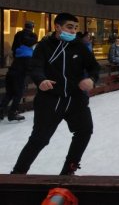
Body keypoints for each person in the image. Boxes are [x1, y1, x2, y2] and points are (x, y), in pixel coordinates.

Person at [11, 13, 100, 175]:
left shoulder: (80, 46)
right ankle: (17, 174)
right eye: (69, 27)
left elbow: (94, 67)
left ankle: (69, 170)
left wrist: (92, 80)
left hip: (76, 99)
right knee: (39, 139)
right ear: (57, 27)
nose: (73, 31)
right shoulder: (44, 46)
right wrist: (41, 80)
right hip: (50, 101)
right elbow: (35, 67)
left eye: (75, 28)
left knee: (84, 131)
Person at [0, 21, 38, 122]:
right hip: (18, 76)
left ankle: (1, 111)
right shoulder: (28, 56)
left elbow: (14, 48)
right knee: (18, 94)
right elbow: (30, 70)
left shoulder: (19, 52)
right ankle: (12, 114)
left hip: (10, 73)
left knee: (9, 93)